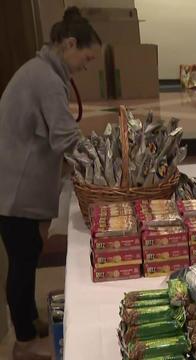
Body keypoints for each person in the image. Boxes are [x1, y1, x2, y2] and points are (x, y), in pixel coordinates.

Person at [0, 7, 101, 360]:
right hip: (16, 191)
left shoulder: (41, 71)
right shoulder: (44, 77)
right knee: (23, 261)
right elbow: (65, 137)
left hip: (18, 186)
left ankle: (29, 321)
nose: (85, 66)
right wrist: (100, 163)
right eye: (85, 57)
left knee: (25, 256)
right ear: (69, 43)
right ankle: (25, 343)